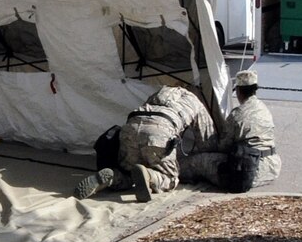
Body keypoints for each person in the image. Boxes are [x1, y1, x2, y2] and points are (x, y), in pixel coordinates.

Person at [75, 84, 218, 200]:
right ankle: (150, 176)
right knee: (170, 178)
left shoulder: (160, 92)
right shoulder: (195, 101)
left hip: (130, 128)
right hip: (160, 131)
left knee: (128, 172)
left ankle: (112, 176)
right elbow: (207, 140)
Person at [180, 69, 281, 191]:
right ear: (255, 90)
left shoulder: (238, 114)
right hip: (272, 167)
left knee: (195, 161)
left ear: (238, 91)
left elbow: (223, 147)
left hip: (248, 171)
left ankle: (167, 174)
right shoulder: (264, 109)